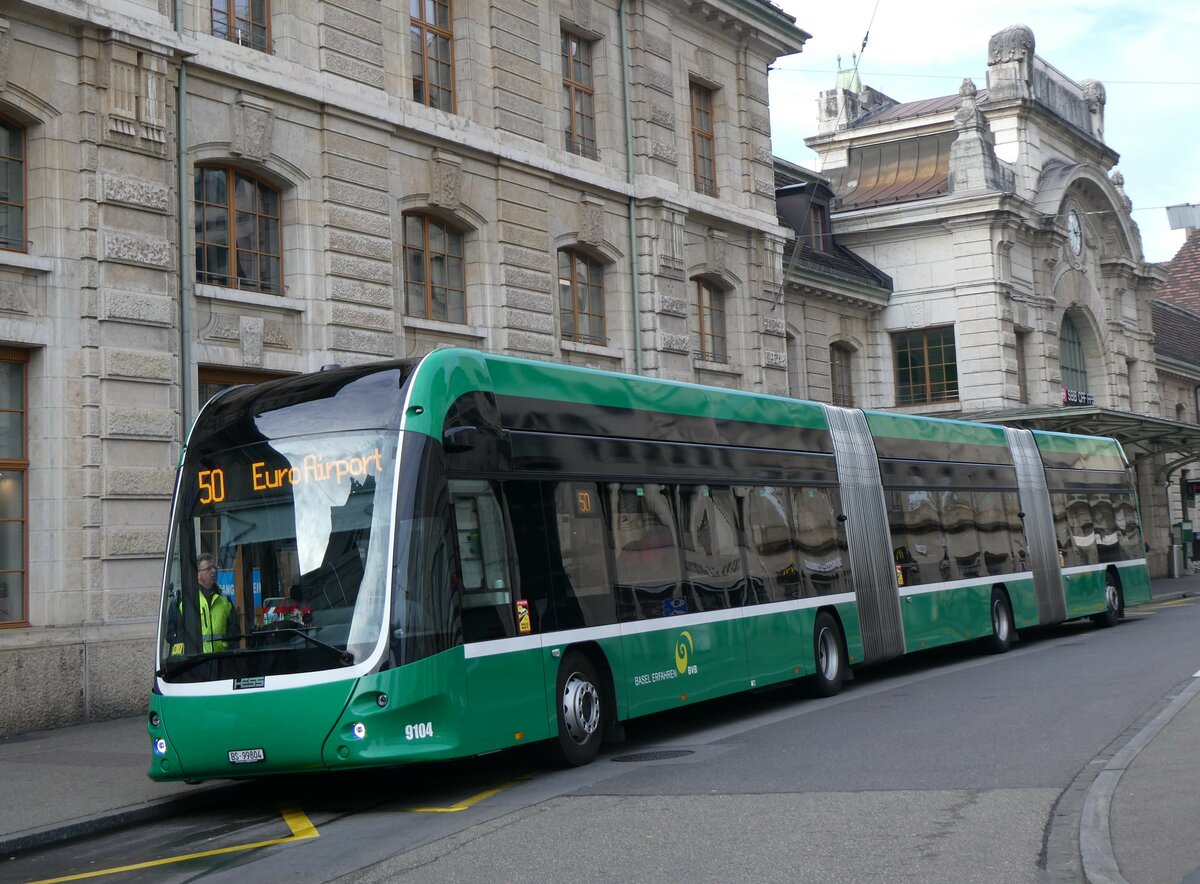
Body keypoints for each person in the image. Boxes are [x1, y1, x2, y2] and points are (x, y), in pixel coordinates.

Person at [170, 554, 235, 654]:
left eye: (214, 567)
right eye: (208, 569)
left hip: (220, 661)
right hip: (194, 664)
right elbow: (170, 633)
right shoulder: (183, 601)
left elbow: (235, 631)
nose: (213, 571)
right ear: (197, 574)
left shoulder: (224, 600)